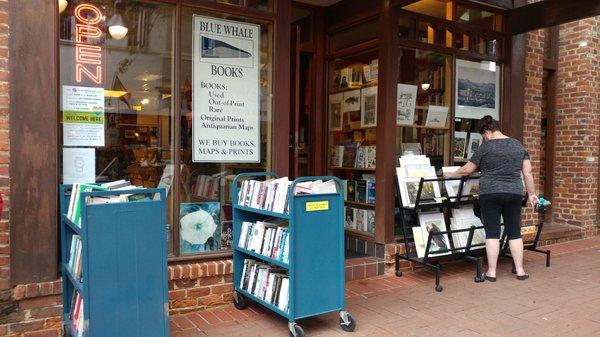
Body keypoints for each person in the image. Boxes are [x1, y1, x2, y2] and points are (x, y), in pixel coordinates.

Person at [445, 115, 538, 281]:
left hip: (490, 193)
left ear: (486, 131)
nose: (484, 138)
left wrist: (451, 174)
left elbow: (467, 169)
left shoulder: (486, 147)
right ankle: (521, 271)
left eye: (483, 135)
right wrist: (531, 194)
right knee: (514, 232)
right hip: (514, 193)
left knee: (492, 233)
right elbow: (528, 173)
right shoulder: (518, 145)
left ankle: (492, 272)